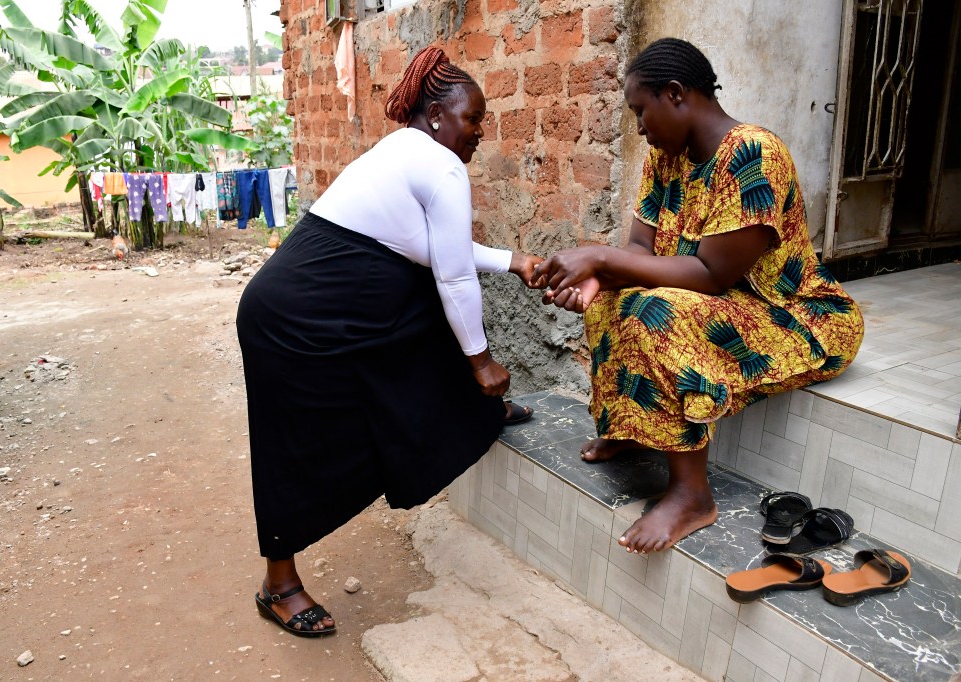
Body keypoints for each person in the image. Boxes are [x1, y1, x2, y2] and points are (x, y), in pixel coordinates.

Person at [236, 46, 543, 637]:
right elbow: (453, 276)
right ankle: (278, 583)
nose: (480, 132)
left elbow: (436, 252)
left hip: (301, 307)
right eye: (473, 119)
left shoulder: (405, 150)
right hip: (291, 321)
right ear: (437, 116)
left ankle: (480, 410)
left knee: (420, 313)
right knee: (294, 445)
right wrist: (482, 363)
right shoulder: (442, 165)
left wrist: (514, 261)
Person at [533, 37, 864, 556]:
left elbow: (712, 274)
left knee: (657, 313)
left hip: (797, 317)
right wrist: (601, 277)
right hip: (722, 304)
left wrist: (599, 258)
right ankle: (632, 426)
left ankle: (692, 494)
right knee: (612, 302)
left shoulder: (754, 155)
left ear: (675, 94)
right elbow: (639, 249)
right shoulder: (665, 160)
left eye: (640, 112)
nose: (639, 128)